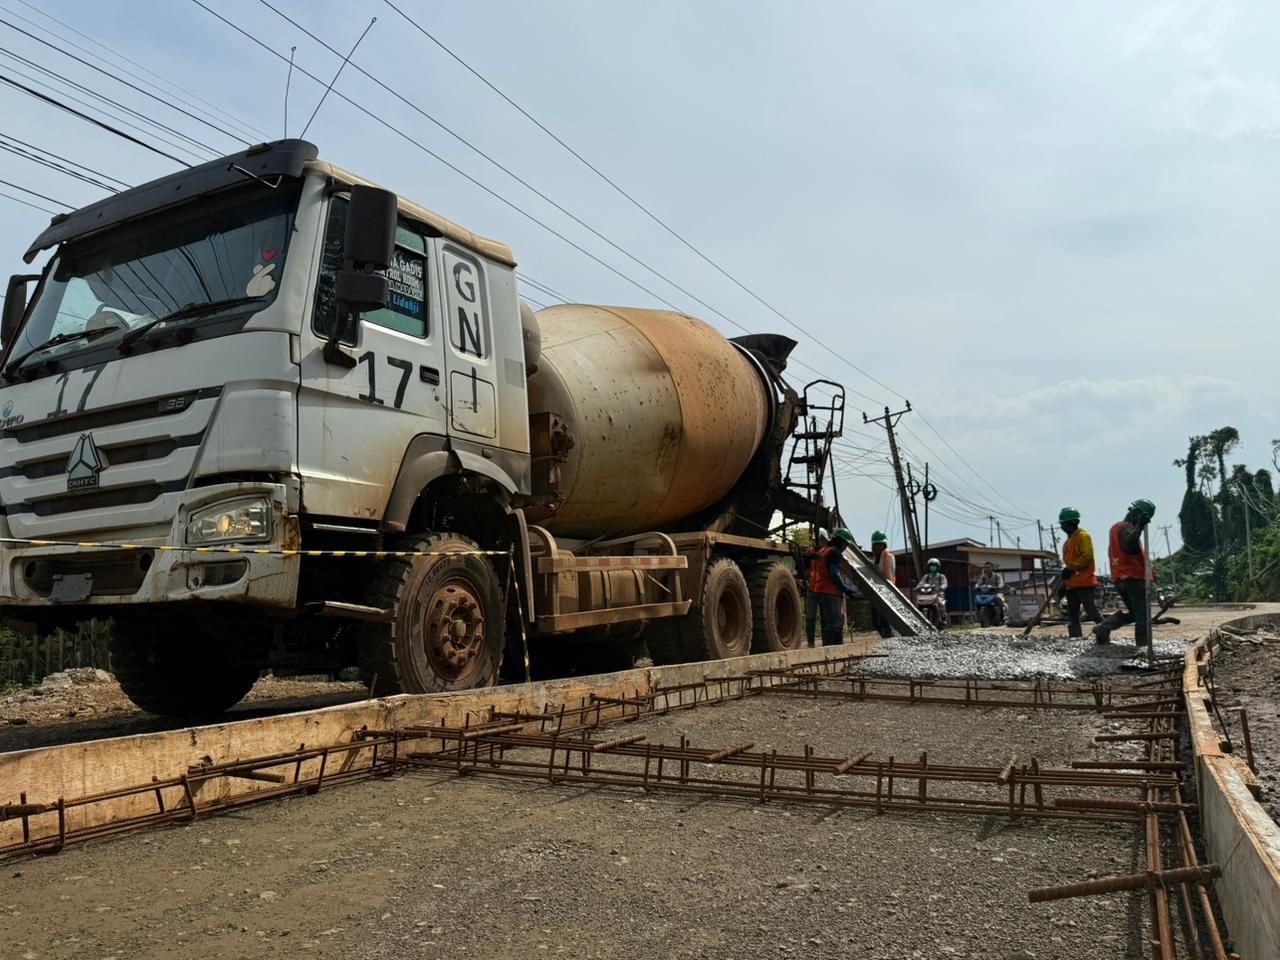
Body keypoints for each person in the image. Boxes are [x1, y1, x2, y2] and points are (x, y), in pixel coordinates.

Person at [1093, 499, 1156, 646]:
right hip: (1134, 578)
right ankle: (1143, 645)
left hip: (1121, 578)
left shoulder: (1116, 528)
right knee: (1142, 615)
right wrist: (1140, 527)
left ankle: (1104, 627)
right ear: (1137, 514)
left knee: (1135, 614)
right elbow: (1128, 545)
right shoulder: (1127, 527)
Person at [810, 527, 860, 646]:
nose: (845, 548)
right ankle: (836, 649)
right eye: (845, 545)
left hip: (820, 591)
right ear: (841, 542)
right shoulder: (834, 552)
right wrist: (846, 590)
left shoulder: (823, 550)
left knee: (826, 623)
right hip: (831, 593)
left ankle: (827, 648)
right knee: (835, 623)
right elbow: (834, 574)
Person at [1057, 506, 1102, 638]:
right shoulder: (1067, 542)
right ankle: (1075, 638)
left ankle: (1104, 632)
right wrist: (1064, 581)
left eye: (1063, 524)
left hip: (1085, 583)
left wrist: (1070, 568)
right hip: (1072, 584)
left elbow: (1087, 557)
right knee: (1073, 614)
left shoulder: (1083, 536)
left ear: (1072, 523)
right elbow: (1068, 563)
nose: (1062, 527)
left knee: (1091, 611)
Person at [869, 530, 896, 638]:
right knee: (875, 622)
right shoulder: (874, 559)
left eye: (880, 545)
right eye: (876, 545)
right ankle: (886, 637)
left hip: (885, 592)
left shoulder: (888, 557)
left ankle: (889, 638)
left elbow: (889, 577)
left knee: (885, 620)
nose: (878, 547)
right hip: (875, 593)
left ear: (884, 545)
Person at [804, 531, 828, 647]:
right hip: (812, 588)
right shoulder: (810, 552)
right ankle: (810, 643)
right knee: (810, 617)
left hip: (823, 589)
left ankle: (825, 642)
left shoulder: (827, 552)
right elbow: (806, 568)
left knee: (825, 617)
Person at [917, 556, 949, 626]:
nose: (933, 568)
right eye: (931, 566)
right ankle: (916, 618)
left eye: (934, 566)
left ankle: (944, 618)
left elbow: (944, 583)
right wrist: (918, 587)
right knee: (919, 603)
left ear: (938, 567)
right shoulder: (926, 576)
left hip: (938, 594)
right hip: (928, 594)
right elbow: (921, 583)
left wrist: (942, 587)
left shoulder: (941, 576)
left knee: (941, 603)